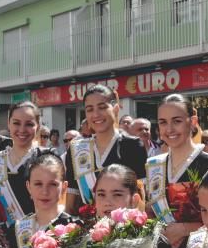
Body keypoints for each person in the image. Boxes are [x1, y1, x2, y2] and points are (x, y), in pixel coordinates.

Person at [146, 94, 208, 248]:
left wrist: (183, 229)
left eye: (177, 121)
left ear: (193, 122)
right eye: (163, 122)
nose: (169, 129)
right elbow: (151, 213)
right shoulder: (154, 166)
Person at [63, 85, 147, 214]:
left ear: (116, 109)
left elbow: (143, 198)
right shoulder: (76, 150)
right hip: (88, 230)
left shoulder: (133, 145)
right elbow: (71, 203)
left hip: (125, 228)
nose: (96, 114)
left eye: (102, 107)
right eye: (90, 109)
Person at [0, 101, 52, 229]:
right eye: (16, 123)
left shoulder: (47, 158)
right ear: (8, 124)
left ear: (38, 126)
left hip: (40, 235)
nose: (22, 130)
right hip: (5, 240)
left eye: (29, 124)